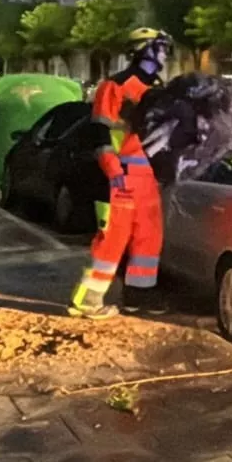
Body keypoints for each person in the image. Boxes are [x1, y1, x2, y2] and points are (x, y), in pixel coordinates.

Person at [69, 28, 174, 320]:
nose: (165, 54)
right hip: (121, 175)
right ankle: (88, 300)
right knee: (112, 238)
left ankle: (139, 295)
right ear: (143, 50)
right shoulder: (115, 87)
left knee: (148, 238)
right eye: (160, 47)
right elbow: (99, 131)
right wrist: (112, 170)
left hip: (147, 178)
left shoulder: (158, 91)